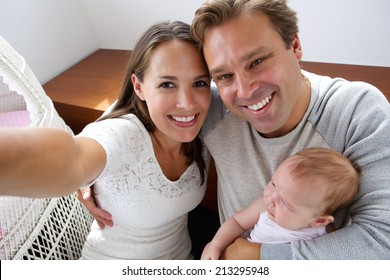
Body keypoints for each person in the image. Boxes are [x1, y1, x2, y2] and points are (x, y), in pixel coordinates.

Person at [80, 0, 390, 259]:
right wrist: (89, 161)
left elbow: (382, 242)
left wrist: (255, 255)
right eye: (224, 76)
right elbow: (146, 104)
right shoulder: (215, 107)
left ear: (294, 45)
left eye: (256, 61)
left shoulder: (356, 112)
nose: (244, 90)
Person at [0, 20, 212, 259]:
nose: (187, 103)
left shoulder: (209, 113)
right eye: (167, 84)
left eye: (199, 83)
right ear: (139, 87)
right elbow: (73, 157)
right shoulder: (124, 136)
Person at [201, 148, 360, 260]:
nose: (270, 198)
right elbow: (236, 222)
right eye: (273, 184)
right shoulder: (265, 208)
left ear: (319, 221)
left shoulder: (326, 236)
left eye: (284, 202)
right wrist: (216, 245)